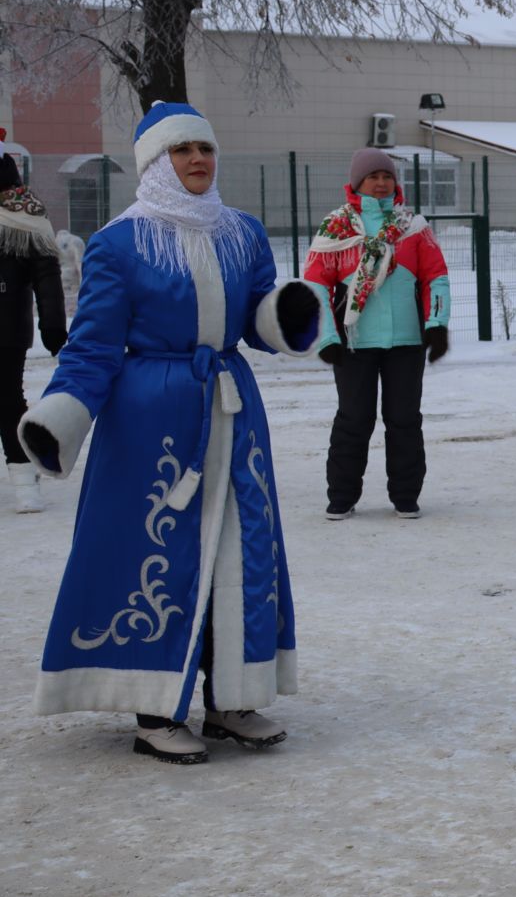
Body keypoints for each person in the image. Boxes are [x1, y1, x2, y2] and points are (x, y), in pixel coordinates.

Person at [17, 102, 322, 764]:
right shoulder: (119, 244)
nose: (197, 161)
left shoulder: (240, 232)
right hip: (150, 422)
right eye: (181, 150)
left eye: (205, 149)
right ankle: (154, 708)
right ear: (155, 162)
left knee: (239, 552)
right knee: (150, 555)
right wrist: (61, 416)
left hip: (232, 412)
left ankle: (232, 699)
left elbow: (256, 320)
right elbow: (93, 348)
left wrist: (285, 311)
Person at [303, 148, 451, 521]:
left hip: (406, 342)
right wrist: (326, 337)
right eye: (373, 177)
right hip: (352, 345)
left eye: (387, 176)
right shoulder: (335, 229)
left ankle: (405, 496)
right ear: (357, 183)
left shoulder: (413, 227)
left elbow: (436, 277)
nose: (382, 183)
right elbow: (316, 286)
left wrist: (436, 325)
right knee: (354, 419)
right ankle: (342, 496)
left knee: (404, 419)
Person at [0, 140, 67, 512]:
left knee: (7, 401)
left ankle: (24, 476)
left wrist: (53, 326)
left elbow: (47, 277)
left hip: (6, 327)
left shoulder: (25, 218)